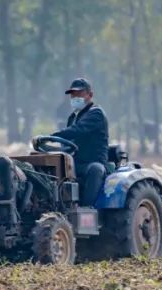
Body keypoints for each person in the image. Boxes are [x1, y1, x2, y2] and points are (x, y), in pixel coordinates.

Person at [37, 77, 109, 207]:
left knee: (95, 169)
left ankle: (88, 208)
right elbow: (66, 143)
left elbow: (77, 130)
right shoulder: (73, 117)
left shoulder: (96, 113)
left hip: (91, 161)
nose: (75, 97)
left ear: (90, 95)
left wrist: (51, 136)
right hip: (75, 162)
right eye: (73, 94)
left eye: (79, 94)